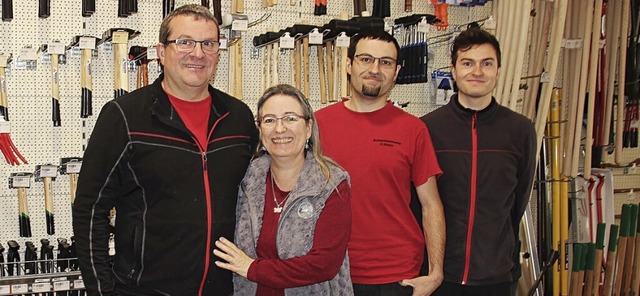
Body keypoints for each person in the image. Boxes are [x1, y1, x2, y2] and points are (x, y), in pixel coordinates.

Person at [72, 4, 258, 295]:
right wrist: (102, 290)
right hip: (146, 289)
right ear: (161, 51)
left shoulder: (238, 118)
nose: (197, 54)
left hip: (223, 288)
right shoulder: (124, 117)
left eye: (208, 43)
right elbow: (89, 209)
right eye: (184, 42)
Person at [315, 29, 445, 296]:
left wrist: (435, 274)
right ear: (349, 65)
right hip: (330, 270)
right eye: (366, 59)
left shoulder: (413, 129)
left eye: (385, 62)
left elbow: (431, 204)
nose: (375, 69)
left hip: (397, 275)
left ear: (396, 72)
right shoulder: (316, 125)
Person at [421, 28, 536, 296]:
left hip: (496, 276)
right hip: (440, 276)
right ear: (453, 70)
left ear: (498, 70)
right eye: (467, 63)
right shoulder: (428, 129)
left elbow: (517, 201)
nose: (477, 72)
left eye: (487, 63)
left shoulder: (519, 130)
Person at [213, 84, 353, 295]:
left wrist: (251, 268)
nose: (280, 129)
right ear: (260, 131)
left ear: (308, 127)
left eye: (290, 118)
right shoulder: (248, 178)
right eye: (269, 120)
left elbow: (324, 264)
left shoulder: (331, 183)